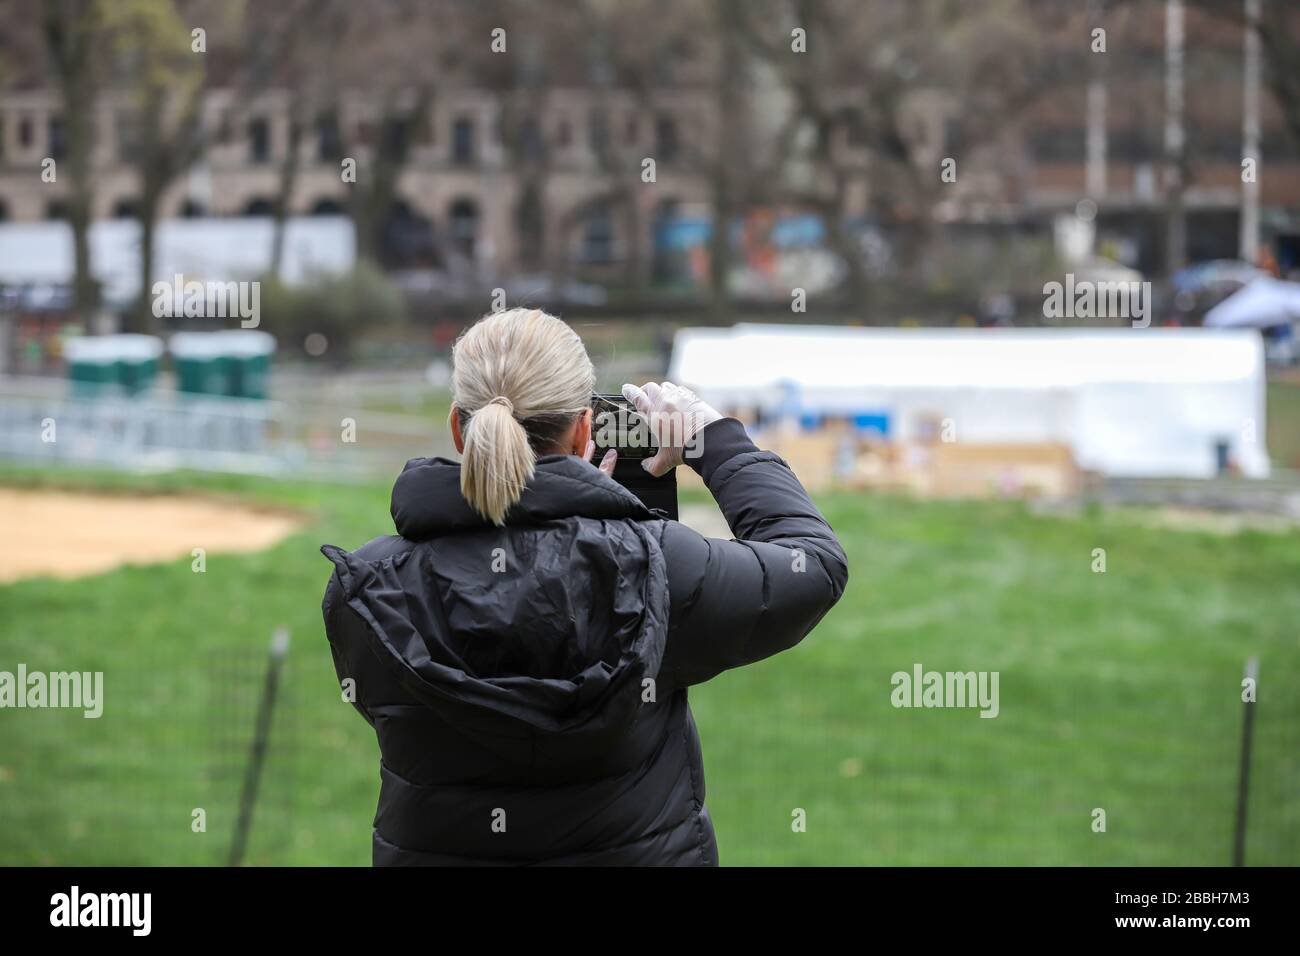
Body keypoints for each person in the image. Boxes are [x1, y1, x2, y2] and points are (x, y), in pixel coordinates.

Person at [321, 308, 848, 866]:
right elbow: (811, 565)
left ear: (458, 427)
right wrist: (714, 441)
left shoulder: (368, 591)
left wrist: (581, 505)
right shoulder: (657, 569)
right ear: (583, 429)